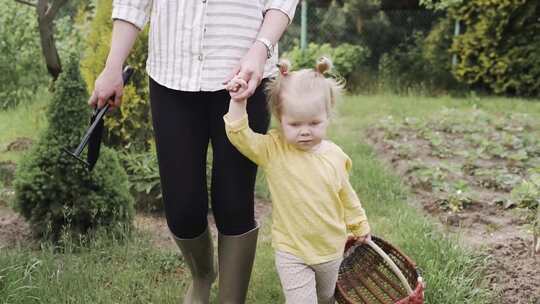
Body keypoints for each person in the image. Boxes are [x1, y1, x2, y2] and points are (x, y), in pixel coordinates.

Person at [88, 1, 298, 303]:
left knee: (234, 202)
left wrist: (261, 46)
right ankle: (201, 275)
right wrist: (112, 67)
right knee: (183, 208)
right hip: (172, 75)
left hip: (244, 72)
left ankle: (231, 298)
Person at [223, 57, 372, 304]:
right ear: (280, 118)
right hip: (291, 251)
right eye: (294, 124)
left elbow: (346, 195)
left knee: (326, 297)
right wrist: (238, 101)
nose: (305, 131)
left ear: (327, 116)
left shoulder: (334, 156)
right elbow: (240, 135)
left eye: (314, 123)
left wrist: (360, 224)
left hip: (330, 249)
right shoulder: (273, 150)